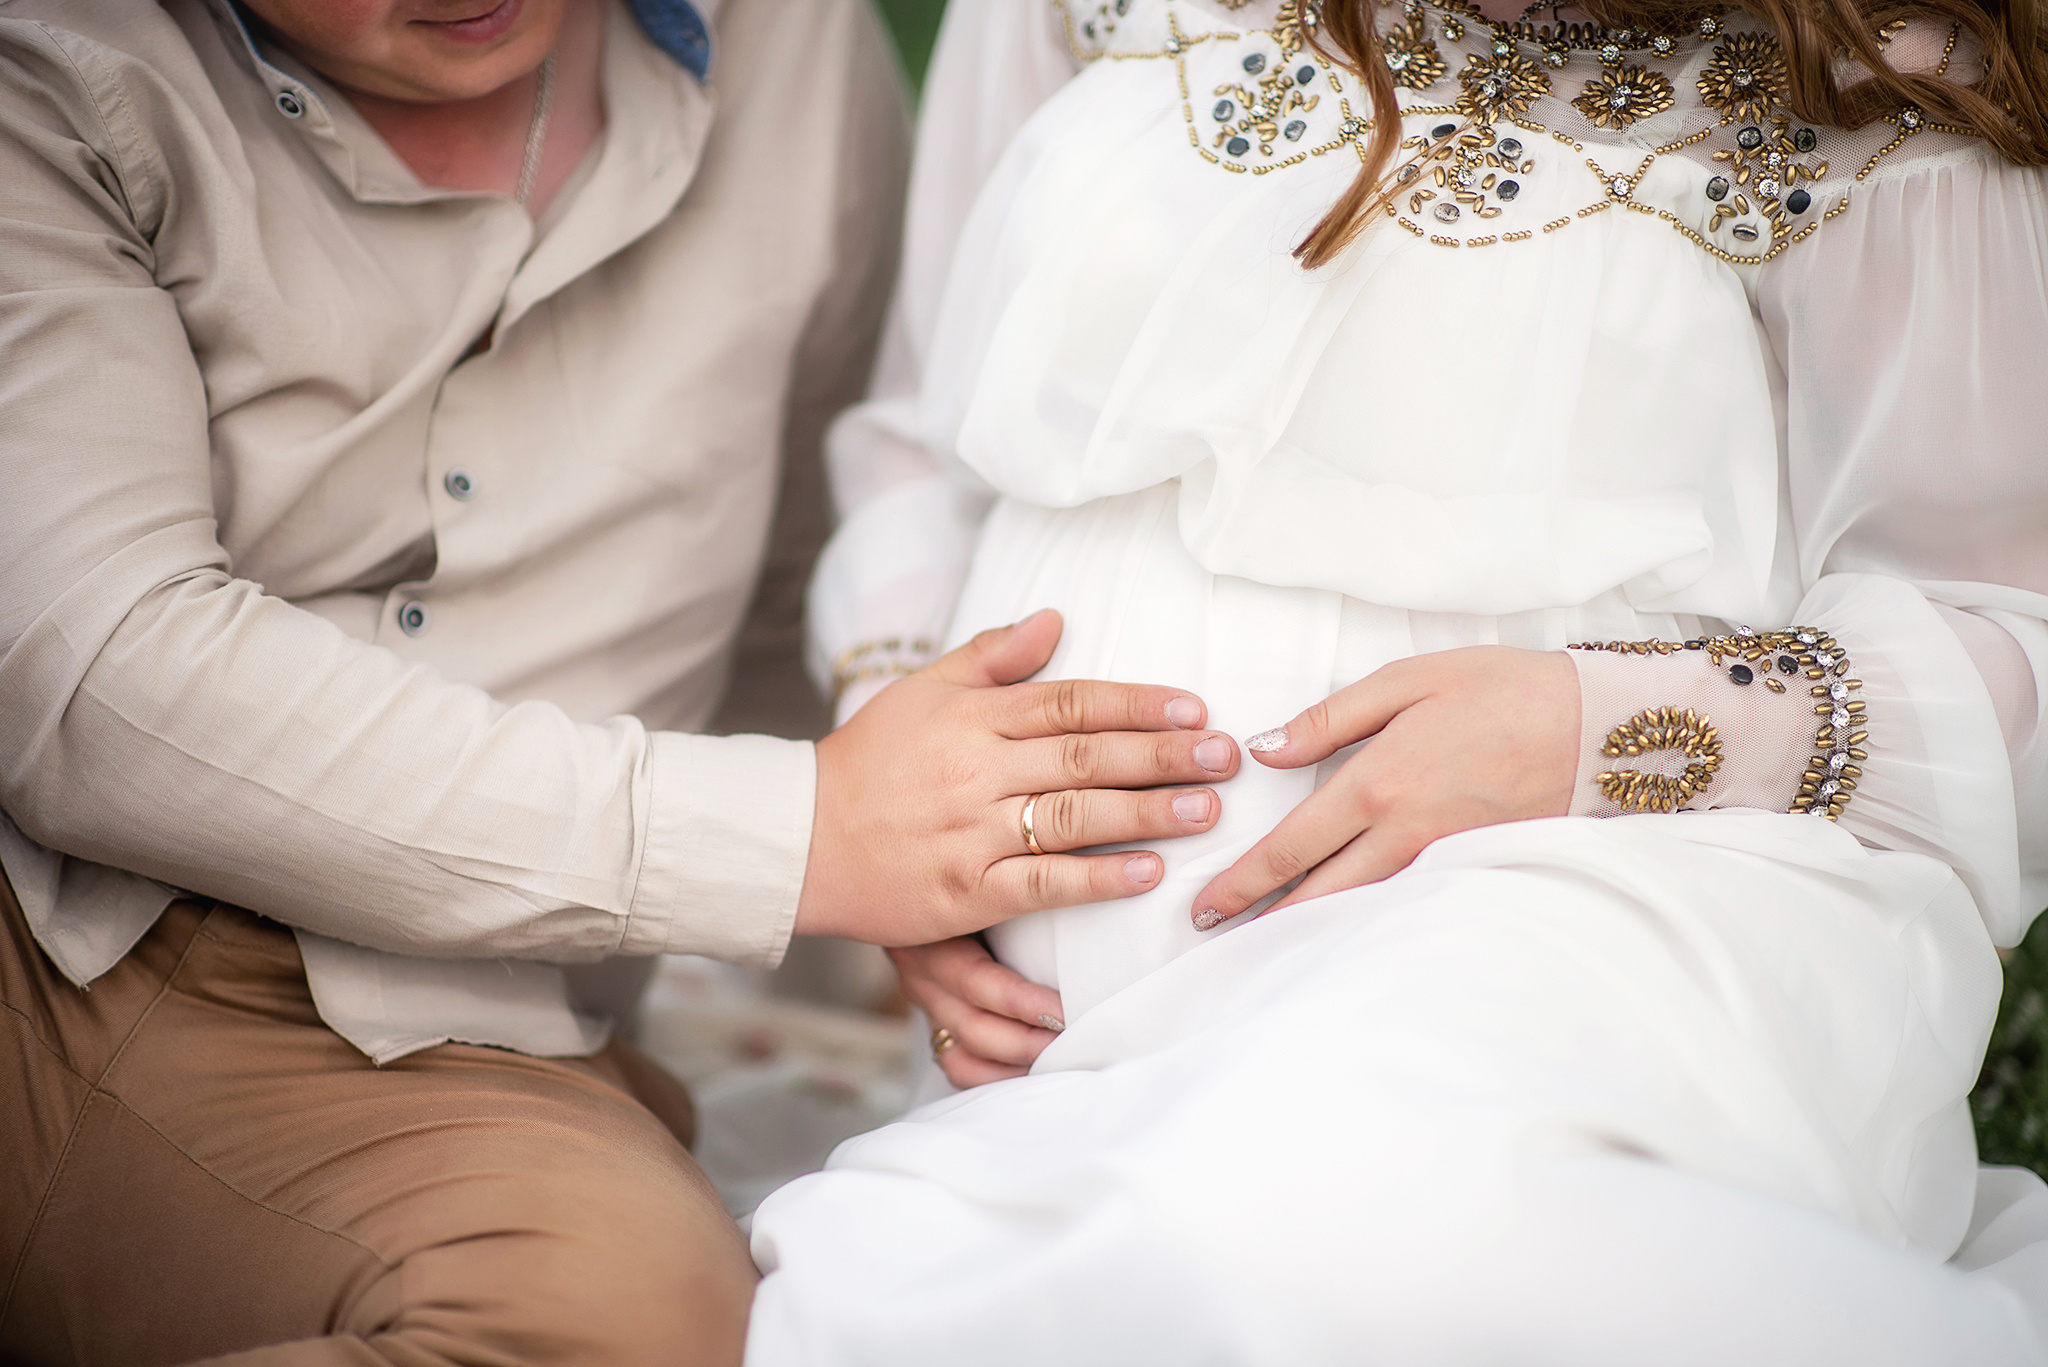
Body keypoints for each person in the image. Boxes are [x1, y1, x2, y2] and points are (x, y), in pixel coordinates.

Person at [748, 0, 2048, 1359]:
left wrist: (1590, 724)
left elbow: (2012, 648)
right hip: (1031, 1032)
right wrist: (908, 779)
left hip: (1592, 901)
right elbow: (926, 427)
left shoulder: (1870, 81)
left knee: (1337, 1244)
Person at [0, 1, 1250, 1362]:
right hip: (52, 937)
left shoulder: (791, 42)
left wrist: (929, 895)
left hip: (463, 1037)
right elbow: (93, 679)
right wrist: (805, 835)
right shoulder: (49, 72)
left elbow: (800, 541)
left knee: (639, 1321)